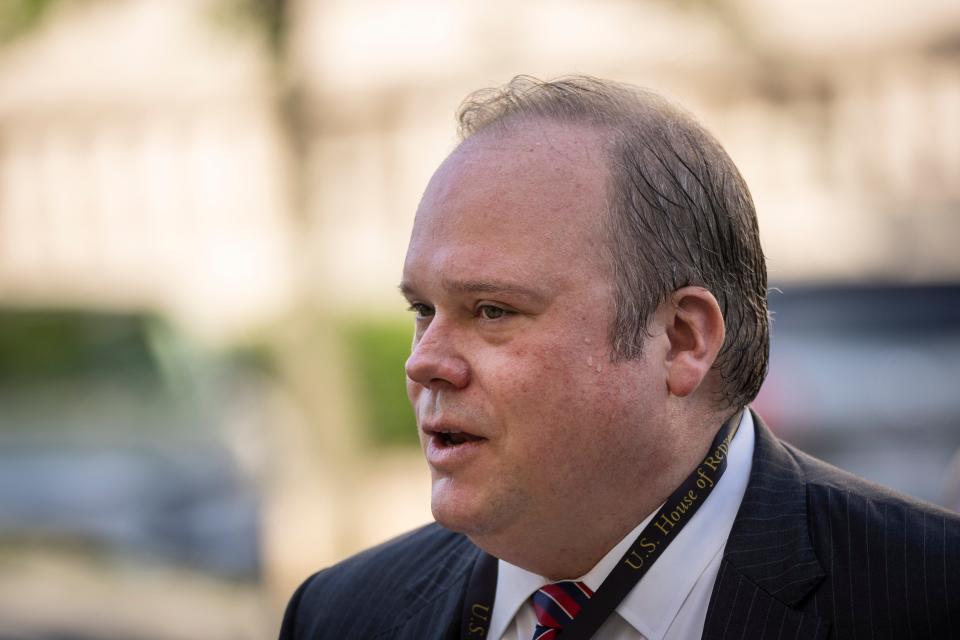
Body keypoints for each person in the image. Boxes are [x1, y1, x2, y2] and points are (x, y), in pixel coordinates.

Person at [280, 76, 960, 639]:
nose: (425, 362)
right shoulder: (340, 616)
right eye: (422, 311)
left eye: (492, 311)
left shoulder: (927, 596)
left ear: (683, 339)